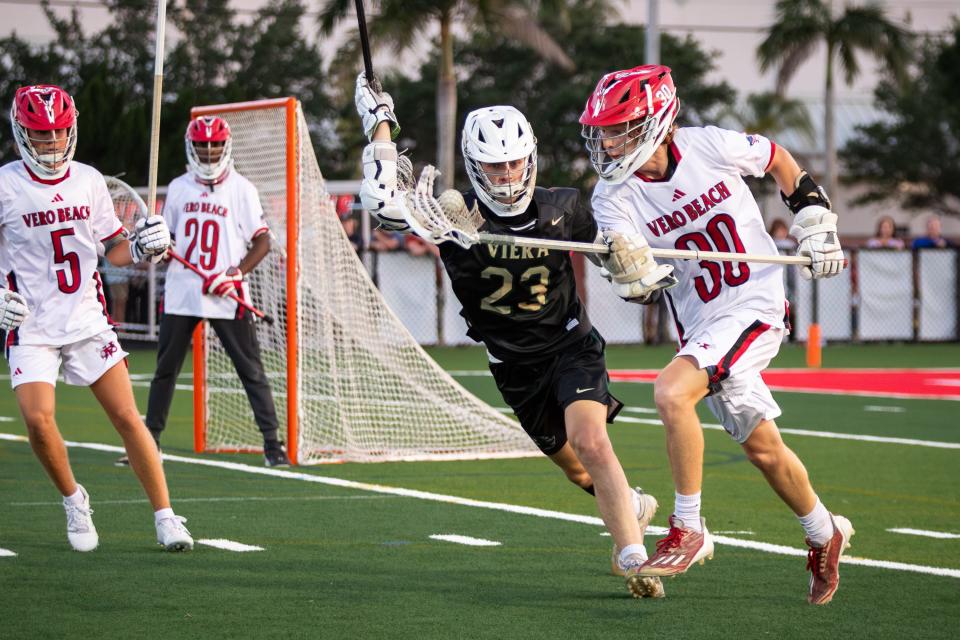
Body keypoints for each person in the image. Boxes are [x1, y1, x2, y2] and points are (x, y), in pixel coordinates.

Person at [355, 73, 664, 599]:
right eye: (495, 164)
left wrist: (632, 263)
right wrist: (379, 124)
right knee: (576, 469)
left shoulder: (564, 206)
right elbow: (382, 204)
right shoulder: (450, 220)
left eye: (515, 161)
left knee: (591, 439)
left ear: (531, 158)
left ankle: (634, 555)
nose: (507, 173)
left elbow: (622, 251)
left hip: (570, 344)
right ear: (475, 166)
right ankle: (628, 505)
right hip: (512, 364)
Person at [579, 65, 853, 605]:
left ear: (657, 123)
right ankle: (824, 532)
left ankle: (689, 526)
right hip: (701, 322)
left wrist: (813, 212)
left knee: (669, 391)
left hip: (754, 304)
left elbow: (776, 157)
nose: (608, 141)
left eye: (621, 128)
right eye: (604, 130)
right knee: (764, 449)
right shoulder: (613, 195)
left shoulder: (708, 146)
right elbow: (635, 281)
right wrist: (631, 270)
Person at [1, 84, 193, 551]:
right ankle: (73, 498)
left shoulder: (88, 179)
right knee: (38, 421)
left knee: (129, 418)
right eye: (41, 135)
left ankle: (166, 517)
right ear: (21, 133)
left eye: (58, 133)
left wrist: (146, 247)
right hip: (31, 323)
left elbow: (115, 249)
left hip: (86, 317)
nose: (51, 144)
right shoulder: (5, 184)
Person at [118, 115, 289, 468]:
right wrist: (162, 248)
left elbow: (263, 241)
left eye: (214, 145)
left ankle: (273, 445)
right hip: (183, 290)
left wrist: (235, 273)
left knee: (250, 370)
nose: (208, 151)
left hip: (225, 292)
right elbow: (172, 240)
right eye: (202, 145)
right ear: (191, 147)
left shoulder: (242, 188)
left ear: (225, 147)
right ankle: (150, 444)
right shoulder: (179, 186)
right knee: (165, 369)